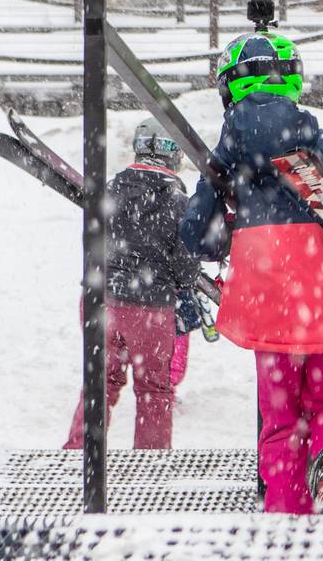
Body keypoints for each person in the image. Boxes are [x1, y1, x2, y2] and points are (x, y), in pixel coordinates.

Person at [181, 29, 323, 515]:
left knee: (280, 418)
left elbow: (197, 231)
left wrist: (228, 238)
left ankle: (285, 509)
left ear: (229, 88)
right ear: (293, 83)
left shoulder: (226, 159)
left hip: (265, 300)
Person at [63, 120, 202, 452]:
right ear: (174, 157)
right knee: (154, 390)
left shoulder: (108, 191)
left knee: (99, 384)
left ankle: (77, 456)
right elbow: (185, 271)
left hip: (99, 300)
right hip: (149, 308)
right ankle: (149, 466)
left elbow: (91, 245)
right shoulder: (179, 203)